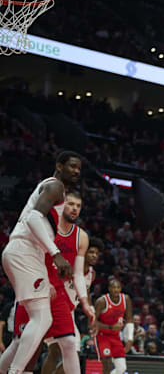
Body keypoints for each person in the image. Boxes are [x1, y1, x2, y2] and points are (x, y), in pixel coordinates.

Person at [0, 151, 81, 374]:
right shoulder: (55, 186)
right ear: (59, 165)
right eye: (72, 166)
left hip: (23, 253)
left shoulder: (54, 190)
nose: (76, 171)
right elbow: (33, 217)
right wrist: (56, 253)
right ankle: (16, 371)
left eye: (79, 169)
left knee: (24, 334)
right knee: (42, 317)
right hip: (24, 251)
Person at [43, 236, 104, 374]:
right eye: (91, 252)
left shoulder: (91, 273)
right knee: (55, 351)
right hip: (55, 308)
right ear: (83, 252)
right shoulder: (69, 265)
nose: (94, 256)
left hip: (69, 313)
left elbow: (86, 293)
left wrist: (91, 312)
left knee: (73, 357)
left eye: (96, 253)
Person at [94, 279, 134, 374]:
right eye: (113, 287)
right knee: (107, 364)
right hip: (102, 336)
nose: (116, 290)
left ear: (121, 289)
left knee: (121, 368)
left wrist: (129, 339)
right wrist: (111, 327)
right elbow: (93, 322)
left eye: (118, 287)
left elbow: (129, 319)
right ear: (109, 289)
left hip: (116, 336)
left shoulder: (126, 299)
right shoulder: (102, 301)